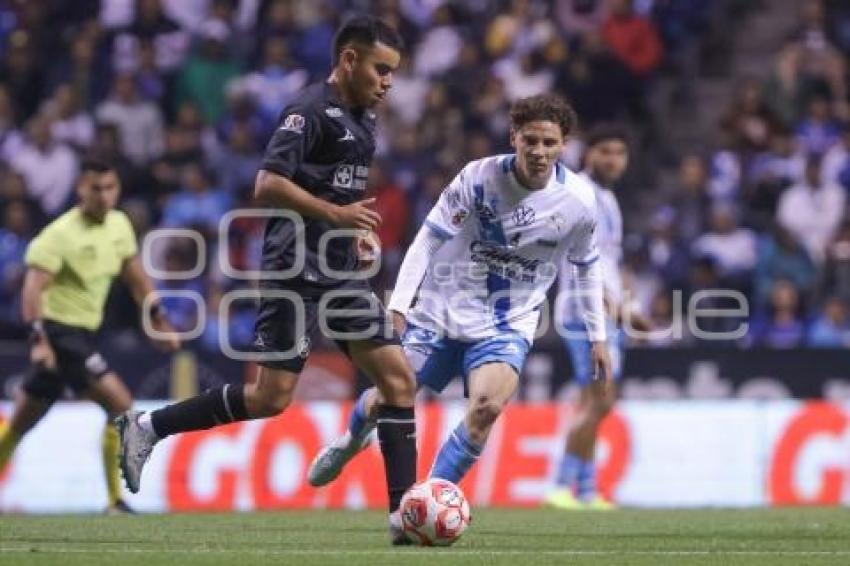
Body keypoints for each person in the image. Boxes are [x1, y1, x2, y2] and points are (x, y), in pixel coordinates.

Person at [115, 16, 419, 544]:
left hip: (340, 268)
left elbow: (343, 197)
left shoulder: (365, 117)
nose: (388, 81)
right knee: (270, 399)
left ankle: (403, 519)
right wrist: (334, 212)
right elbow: (267, 183)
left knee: (398, 382)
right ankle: (149, 427)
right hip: (293, 270)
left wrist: (355, 232)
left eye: (393, 72)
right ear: (349, 60)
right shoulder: (306, 112)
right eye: (381, 69)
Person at [307, 94, 612, 492]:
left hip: (507, 323)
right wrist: (399, 305)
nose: (539, 152)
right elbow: (427, 241)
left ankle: (429, 499)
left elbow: (587, 268)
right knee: (387, 398)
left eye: (549, 143)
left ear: (564, 145)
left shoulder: (579, 202)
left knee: (486, 409)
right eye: (530, 140)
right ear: (513, 137)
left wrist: (598, 336)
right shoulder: (477, 178)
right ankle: (352, 439)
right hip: (439, 313)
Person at [0, 156, 179, 514]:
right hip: (59, 332)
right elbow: (33, 291)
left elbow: (135, 276)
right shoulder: (59, 235)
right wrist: (39, 341)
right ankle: (115, 500)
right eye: (95, 188)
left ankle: (114, 500)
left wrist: (158, 317)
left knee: (22, 419)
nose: (103, 195)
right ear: (81, 188)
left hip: (83, 334)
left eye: (110, 187)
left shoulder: (119, 225)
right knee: (120, 406)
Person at [544, 125, 649, 510]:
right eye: (605, 151)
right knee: (598, 402)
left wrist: (630, 308)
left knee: (597, 401)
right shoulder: (581, 194)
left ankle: (585, 491)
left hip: (608, 313)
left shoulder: (607, 198)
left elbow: (609, 261)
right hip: (585, 311)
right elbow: (579, 259)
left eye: (620, 152)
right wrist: (613, 305)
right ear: (589, 153)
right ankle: (560, 485)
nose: (613, 159)